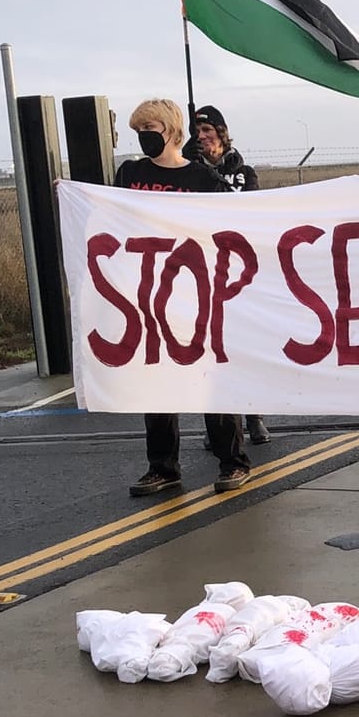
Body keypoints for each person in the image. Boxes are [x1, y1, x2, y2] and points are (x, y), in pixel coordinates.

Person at [113, 99, 252, 498]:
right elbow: (108, 212)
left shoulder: (201, 179)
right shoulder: (130, 173)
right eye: (138, 129)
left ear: (172, 130)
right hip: (148, 290)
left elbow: (233, 224)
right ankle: (162, 467)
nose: (144, 136)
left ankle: (233, 461)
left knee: (210, 376)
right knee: (155, 378)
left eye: (151, 127)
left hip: (194, 291)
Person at [188, 105, 271, 449]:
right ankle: (218, 426)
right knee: (212, 350)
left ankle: (254, 416)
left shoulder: (244, 172)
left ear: (221, 133)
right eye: (198, 133)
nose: (203, 138)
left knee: (244, 347)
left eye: (208, 131)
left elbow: (246, 210)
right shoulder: (189, 172)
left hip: (240, 271)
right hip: (203, 271)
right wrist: (192, 168)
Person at [189, 104, 260, 192]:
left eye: (206, 129)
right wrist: (186, 164)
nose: (201, 136)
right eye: (196, 132)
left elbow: (250, 203)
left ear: (221, 132)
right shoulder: (191, 171)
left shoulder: (246, 174)